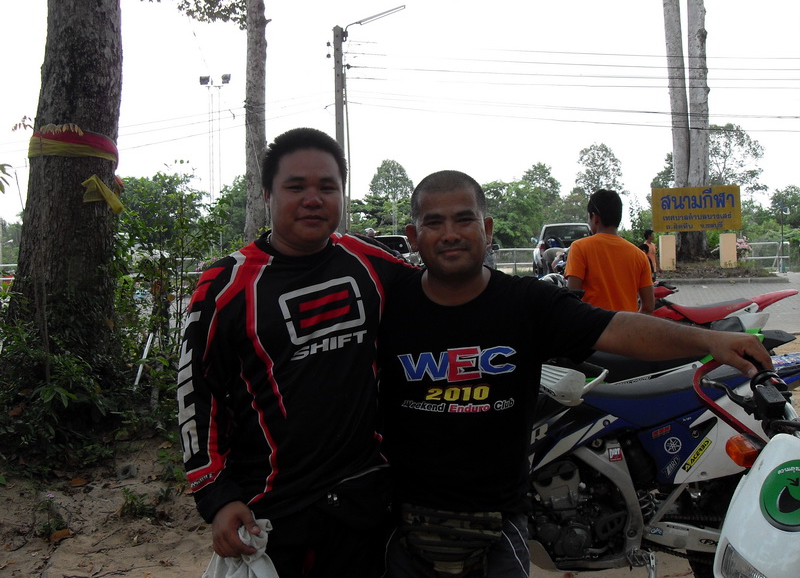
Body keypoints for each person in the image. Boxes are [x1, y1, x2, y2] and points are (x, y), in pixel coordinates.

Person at [377, 170, 772, 578]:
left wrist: (709, 340)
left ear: (487, 229)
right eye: (434, 222)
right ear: (413, 235)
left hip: (499, 526)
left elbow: (619, 328)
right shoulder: (386, 304)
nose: (450, 234)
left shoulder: (526, 302)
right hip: (402, 524)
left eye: (464, 219)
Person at [178, 127, 415, 577]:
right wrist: (216, 495)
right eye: (296, 187)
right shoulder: (225, 285)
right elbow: (196, 394)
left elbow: (444, 299)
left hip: (363, 501)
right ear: (268, 194)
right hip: (270, 510)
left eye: (328, 187)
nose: (313, 199)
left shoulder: (371, 262)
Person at [564, 189, 654, 313]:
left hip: (593, 324)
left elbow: (572, 297)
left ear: (595, 218)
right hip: (625, 324)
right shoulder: (639, 255)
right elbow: (648, 306)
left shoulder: (579, 247)